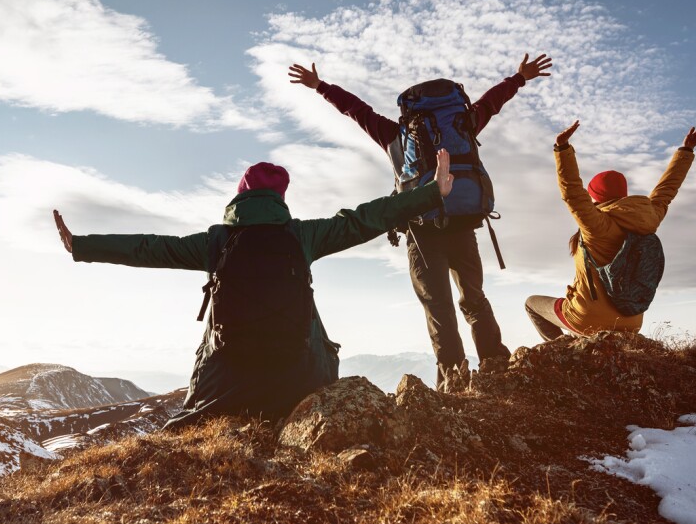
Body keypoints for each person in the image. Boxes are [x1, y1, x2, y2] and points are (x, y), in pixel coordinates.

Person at [52, 150, 455, 428]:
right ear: (279, 198)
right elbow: (367, 218)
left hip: (227, 383)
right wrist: (430, 193)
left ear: (241, 195)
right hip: (299, 378)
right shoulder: (303, 236)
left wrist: (82, 245)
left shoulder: (216, 241)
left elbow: (149, 247)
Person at [287, 54, 553, 387]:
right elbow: (491, 103)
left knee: (438, 308)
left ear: (408, 112)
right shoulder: (463, 123)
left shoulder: (396, 135)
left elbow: (357, 111)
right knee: (475, 299)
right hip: (464, 226)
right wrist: (518, 78)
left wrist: (320, 87)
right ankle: (496, 366)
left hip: (422, 232)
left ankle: (452, 382)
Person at [524, 120, 696, 340]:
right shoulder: (649, 217)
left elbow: (573, 192)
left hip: (587, 319)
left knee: (531, 303)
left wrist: (562, 148)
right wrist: (686, 150)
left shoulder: (596, 225)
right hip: (632, 322)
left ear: (595, 197)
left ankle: (561, 351)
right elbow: (667, 189)